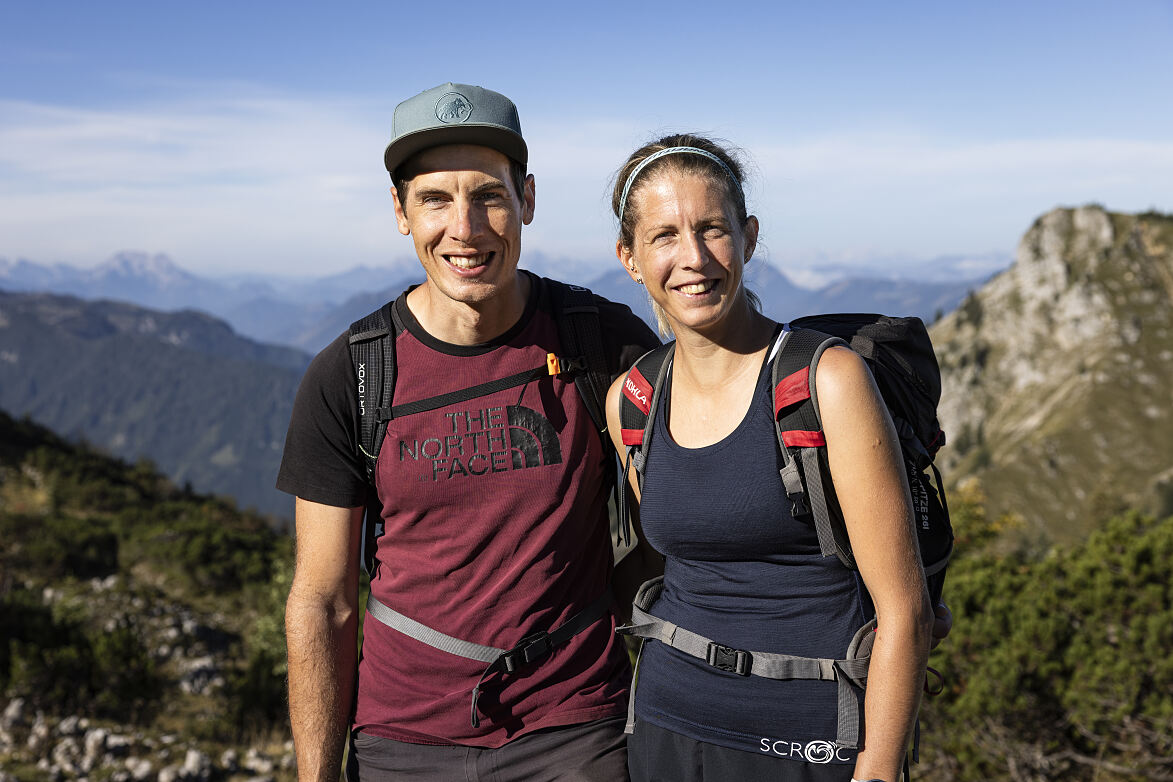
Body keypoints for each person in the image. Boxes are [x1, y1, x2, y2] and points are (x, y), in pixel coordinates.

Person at [278, 83, 661, 782]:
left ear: (528, 201)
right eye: (434, 200)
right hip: (401, 738)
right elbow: (323, 599)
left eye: (488, 195)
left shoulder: (601, 343)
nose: (465, 227)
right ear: (400, 212)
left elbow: (675, 526)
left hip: (574, 729)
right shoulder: (351, 375)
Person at [603, 134, 935, 782]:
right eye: (665, 235)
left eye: (711, 230)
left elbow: (905, 609)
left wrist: (878, 768)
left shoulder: (824, 382)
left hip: (811, 733)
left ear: (748, 237)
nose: (693, 258)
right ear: (630, 258)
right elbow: (672, 557)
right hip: (667, 725)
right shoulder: (632, 402)